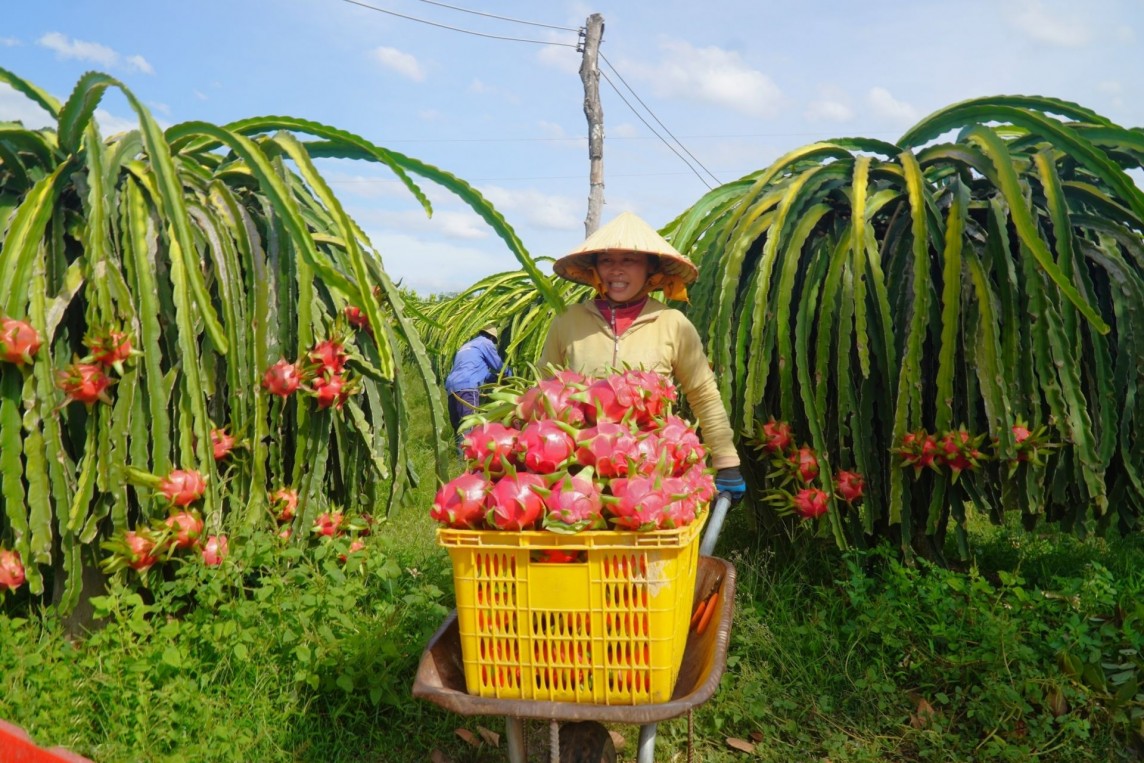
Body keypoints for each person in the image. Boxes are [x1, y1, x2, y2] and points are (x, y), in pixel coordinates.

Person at [539, 211, 747, 502]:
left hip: (650, 477)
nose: (616, 271)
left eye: (629, 260)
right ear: (595, 268)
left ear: (651, 268)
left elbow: (703, 394)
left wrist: (726, 461)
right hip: (578, 478)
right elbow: (543, 393)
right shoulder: (568, 321)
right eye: (607, 260)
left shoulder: (672, 323)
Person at [444, 325, 507, 447]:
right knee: (470, 427)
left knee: (459, 427)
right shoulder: (486, 343)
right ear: (491, 338)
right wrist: (509, 374)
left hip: (452, 388)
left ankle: (461, 462)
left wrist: (496, 379)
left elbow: (481, 373)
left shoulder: (466, 347)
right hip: (468, 387)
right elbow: (499, 365)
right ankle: (468, 462)